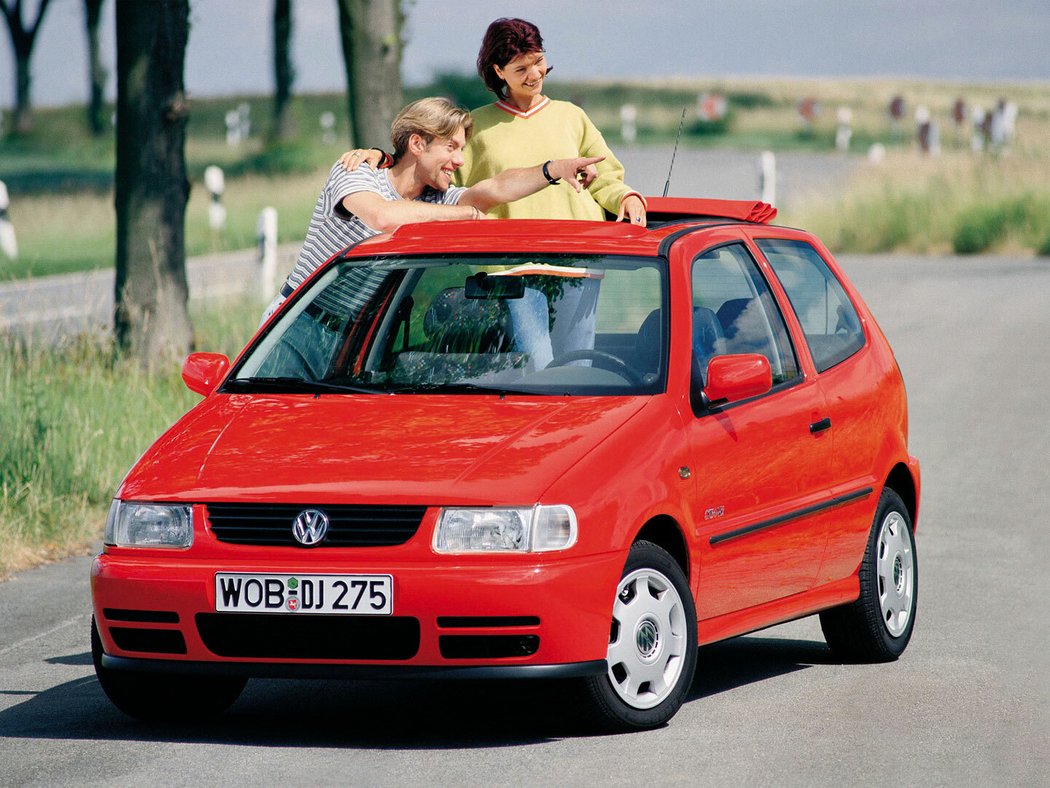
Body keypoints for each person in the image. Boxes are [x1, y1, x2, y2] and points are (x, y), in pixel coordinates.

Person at [263, 96, 602, 322]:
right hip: (298, 321)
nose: (460, 160)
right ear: (417, 143)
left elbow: (496, 187)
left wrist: (554, 169)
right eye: (451, 147)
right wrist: (465, 215)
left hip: (352, 338)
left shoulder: (433, 200)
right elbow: (382, 217)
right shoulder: (357, 170)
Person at [342, 17, 646, 226]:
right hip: (506, 264)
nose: (535, 74)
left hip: (579, 255)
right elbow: (433, 175)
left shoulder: (573, 116)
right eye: (521, 68)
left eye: (538, 61)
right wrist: (381, 157)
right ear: (499, 71)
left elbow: (605, 177)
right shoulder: (475, 125)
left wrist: (626, 197)